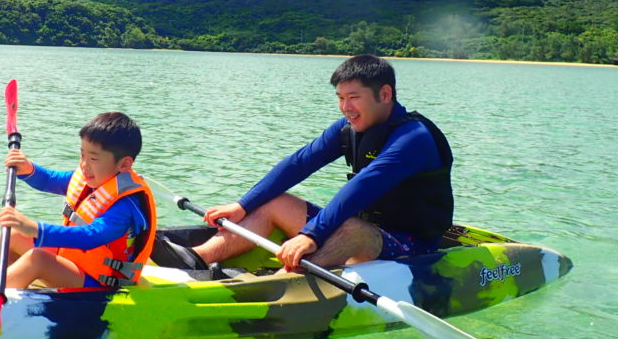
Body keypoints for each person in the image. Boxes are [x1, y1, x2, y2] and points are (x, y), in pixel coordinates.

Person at [193, 54, 454, 270]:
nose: (345, 107)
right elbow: (300, 163)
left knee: (351, 230)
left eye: (354, 97)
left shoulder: (414, 138)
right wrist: (242, 205)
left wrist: (311, 235)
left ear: (385, 94)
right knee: (275, 201)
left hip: (413, 246)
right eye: (340, 98)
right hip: (367, 229)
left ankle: (283, 286)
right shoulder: (348, 128)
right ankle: (196, 257)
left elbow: (363, 186)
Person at [0, 112, 158, 290]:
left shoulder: (126, 205)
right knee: (12, 233)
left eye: (93, 158)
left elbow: (91, 236)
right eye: (81, 154)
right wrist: (28, 169)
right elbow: (51, 180)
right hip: (75, 263)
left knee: (38, 259)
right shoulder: (94, 179)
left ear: (124, 164)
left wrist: (35, 228)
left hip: (100, 282)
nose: (84, 165)